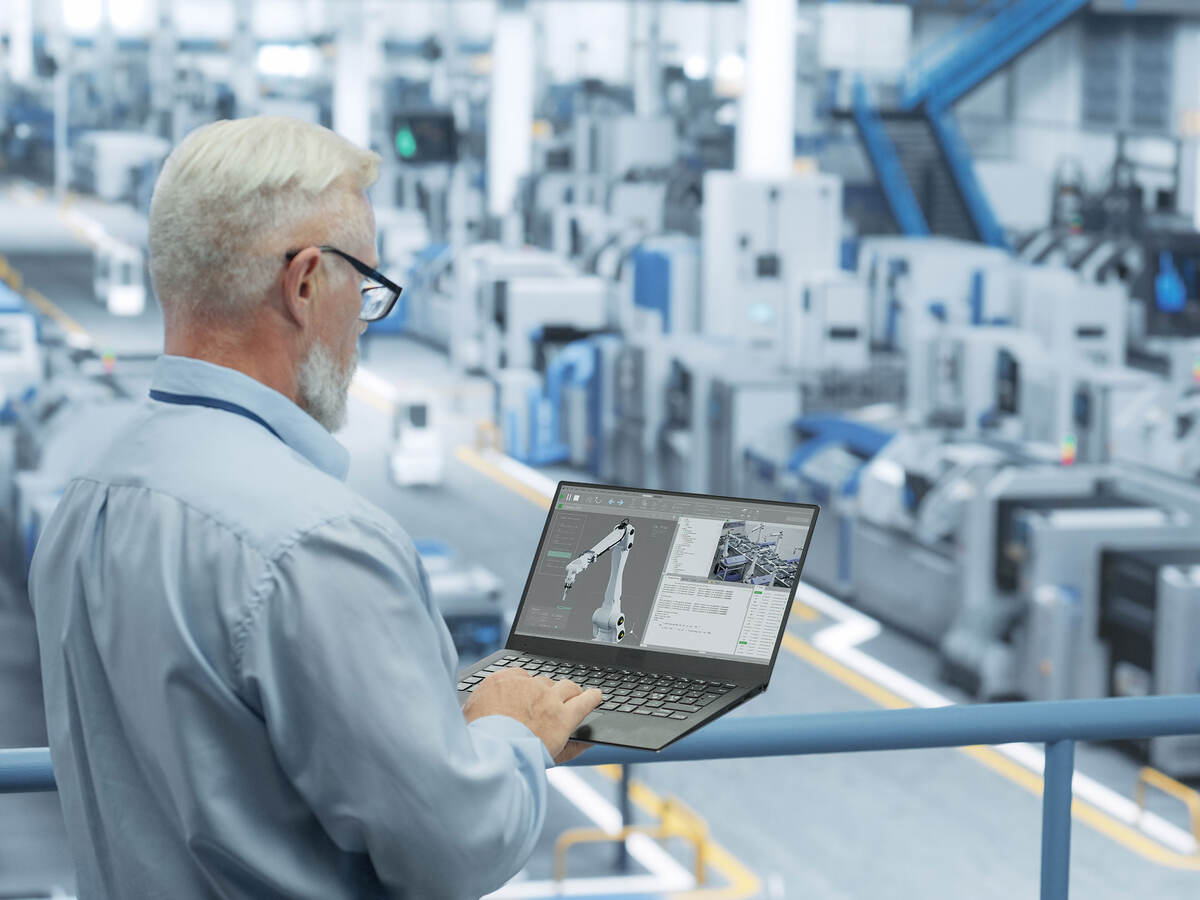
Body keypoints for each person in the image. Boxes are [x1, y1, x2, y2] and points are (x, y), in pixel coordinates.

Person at [29, 116, 603, 900]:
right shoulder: (316, 541)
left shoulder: (87, 497)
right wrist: (512, 729)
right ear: (304, 284)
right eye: (364, 288)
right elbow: (457, 849)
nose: (362, 325)